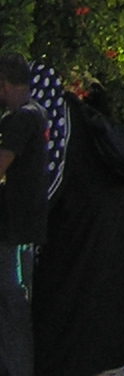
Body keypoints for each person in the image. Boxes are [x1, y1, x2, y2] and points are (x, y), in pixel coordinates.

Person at [32, 82, 124, 376]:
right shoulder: (83, 125)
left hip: (79, 226)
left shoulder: (63, 123)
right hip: (99, 224)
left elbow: (50, 185)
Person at [0, 54, 49, 376]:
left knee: (12, 306)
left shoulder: (21, 119)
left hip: (15, 230)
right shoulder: (36, 114)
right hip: (23, 227)